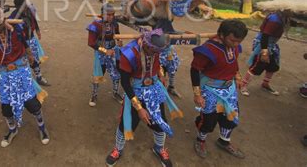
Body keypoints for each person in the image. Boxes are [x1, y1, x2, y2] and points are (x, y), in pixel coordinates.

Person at [0, 7, 50, 147]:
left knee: (31, 103)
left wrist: (31, 56)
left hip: (21, 71)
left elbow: (25, 43)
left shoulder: (16, 29)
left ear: (3, 21)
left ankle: (42, 127)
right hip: (3, 75)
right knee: (6, 107)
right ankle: (12, 130)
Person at [105, 29, 183, 167]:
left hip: (154, 89)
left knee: (159, 121)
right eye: (154, 51)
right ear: (146, 45)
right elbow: (125, 83)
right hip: (135, 90)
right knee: (126, 124)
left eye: (158, 52)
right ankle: (118, 149)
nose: (156, 54)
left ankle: (158, 148)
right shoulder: (129, 53)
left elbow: (157, 63)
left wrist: (160, 74)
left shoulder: (156, 50)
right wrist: (139, 108)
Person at [191, 20, 248, 159]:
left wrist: (238, 77)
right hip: (211, 90)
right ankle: (200, 140)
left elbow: (234, 63)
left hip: (229, 89)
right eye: (233, 40)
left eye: (239, 41)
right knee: (208, 120)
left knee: (231, 116)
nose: (236, 44)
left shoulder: (234, 46)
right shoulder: (207, 51)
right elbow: (194, 70)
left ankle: (224, 141)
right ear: (221, 35)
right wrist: (197, 94)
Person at [240, 10, 292, 96]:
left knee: (273, 66)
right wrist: (264, 51)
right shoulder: (274, 19)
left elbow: (294, 23)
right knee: (257, 66)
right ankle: (243, 85)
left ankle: (265, 84)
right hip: (264, 43)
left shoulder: (283, 17)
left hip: (272, 44)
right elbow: (265, 35)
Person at [9, 0, 50, 86]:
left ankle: (39, 77)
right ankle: (25, 80)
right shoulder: (14, 15)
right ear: (17, 7)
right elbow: (9, 26)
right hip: (20, 42)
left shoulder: (29, 11)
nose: (24, 7)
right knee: (22, 61)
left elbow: (34, 21)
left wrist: (38, 31)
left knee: (34, 59)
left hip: (31, 39)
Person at [87, 4, 122, 107]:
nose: (111, 17)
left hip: (113, 52)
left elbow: (117, 35)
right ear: (103, 14)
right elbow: (91, 43)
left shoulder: (114, 24)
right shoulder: (95, 25)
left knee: (116, 73)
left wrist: (119, 41)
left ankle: (115, 93)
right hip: (100, 53)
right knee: (98, 74)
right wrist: (105, 51)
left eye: (113, 14)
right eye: (109, 14)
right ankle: (94, 95)